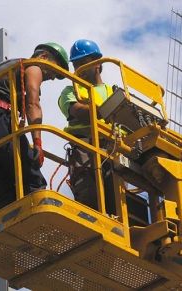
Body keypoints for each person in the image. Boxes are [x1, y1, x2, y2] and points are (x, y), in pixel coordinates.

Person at [0, 42, 69, 211]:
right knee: (32, 178)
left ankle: (7, 221)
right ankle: (39, 218)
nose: (52, 77)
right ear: (44, 57)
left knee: (6, 189)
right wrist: (38, 144)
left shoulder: (5, 70)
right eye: (53, 71)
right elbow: (33, 105)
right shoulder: (33, 67)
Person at [58, 39, 116, 214]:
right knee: (88, 190)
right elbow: (78, 111)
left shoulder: (113, 92)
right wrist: (106, 110)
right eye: (76, 65)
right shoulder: (71, 91)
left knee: (116, 194)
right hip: (84, 145)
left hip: (112, 148)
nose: (79, 70)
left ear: (98, 64)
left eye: (83, 63)